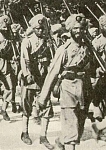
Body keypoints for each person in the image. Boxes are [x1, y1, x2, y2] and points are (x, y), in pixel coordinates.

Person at [37, 13, 93, 150]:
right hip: (68, 88)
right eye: (75, 29)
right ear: (70, 30)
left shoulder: (87, 48)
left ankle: (61, 141)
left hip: (84, 89)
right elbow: (53, 73)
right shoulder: (64, 49)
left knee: (78, 125)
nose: (79, 32)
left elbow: (92, 67)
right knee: (71, 126)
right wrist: (43, 97)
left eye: (81, 28)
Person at [20, 14, 54, 150]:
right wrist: (27, 74)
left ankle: (43, 136)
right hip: (31, 78)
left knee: (46, 107)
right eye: (38, 28)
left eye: (43, 28)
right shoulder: (27, 41)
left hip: (44, 77)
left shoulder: (48, 41)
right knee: (26, 106)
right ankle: (24, 132)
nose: (41, 31)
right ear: (33, 28)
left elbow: (53, 59)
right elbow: (24, 60)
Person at [91, 14, 106, 141]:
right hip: (102, 77)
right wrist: (97, 70)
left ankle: (100, 127)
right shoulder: (97, 42)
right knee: (99, 104)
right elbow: (91, 62)